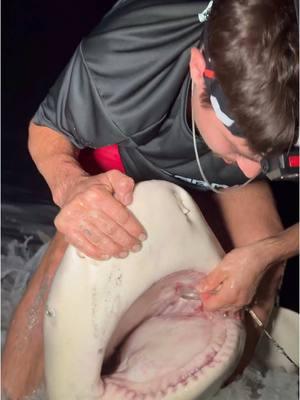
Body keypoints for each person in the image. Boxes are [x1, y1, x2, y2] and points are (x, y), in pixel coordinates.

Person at [2, 0, 299, 398]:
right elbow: (47, 131)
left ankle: (216, 386)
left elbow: (253, 184)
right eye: (237, 146)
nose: (252, 170)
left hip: (218, 176)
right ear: (198, 72)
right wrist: (72, 186)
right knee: (76, 249)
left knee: (264, 267)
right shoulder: (125, 61)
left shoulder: (256, 152)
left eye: (270, 156)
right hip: (131, 149)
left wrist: (266, 252)